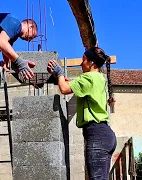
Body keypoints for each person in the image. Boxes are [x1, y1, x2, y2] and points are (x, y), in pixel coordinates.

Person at [47, 47, 117, 180]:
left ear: (91, 63)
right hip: (104, 135)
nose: (81, 63)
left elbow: (64, 88)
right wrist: (58, 75)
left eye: (83, 60)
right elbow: (71, 85)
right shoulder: (99, 78)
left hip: (97, 135)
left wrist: (59, 72)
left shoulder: (89, 78)